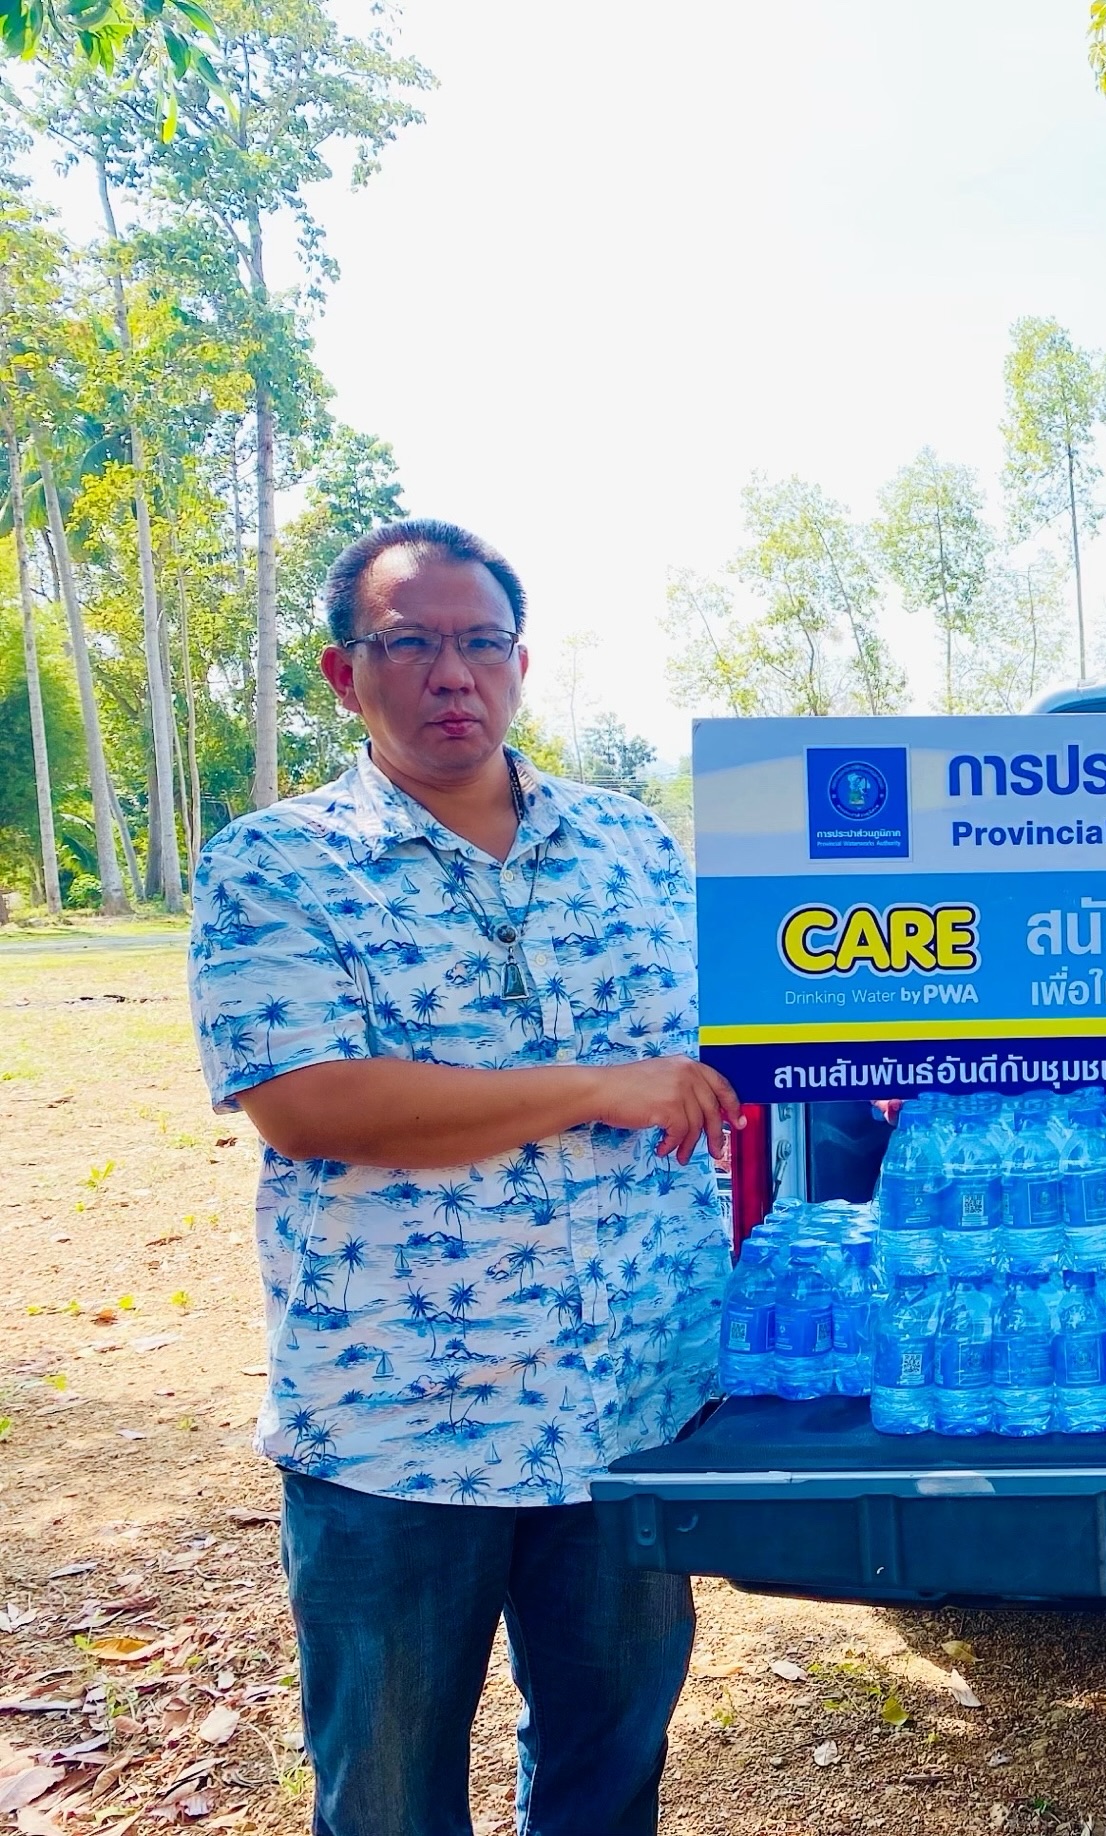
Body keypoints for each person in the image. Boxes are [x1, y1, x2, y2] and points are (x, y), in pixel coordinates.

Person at [185, 519, 742, 1836]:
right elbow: (312, 1104)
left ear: (522, 661)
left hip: (627, 1406)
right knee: (386, 1796)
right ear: (343, 675)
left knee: (610, 1771)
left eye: (480, 643)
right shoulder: (276, 867)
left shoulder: (634, 848)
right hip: (399, 1430)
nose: (453, 675)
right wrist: (600, 1088)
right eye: (412, 645)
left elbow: (744, 1048)